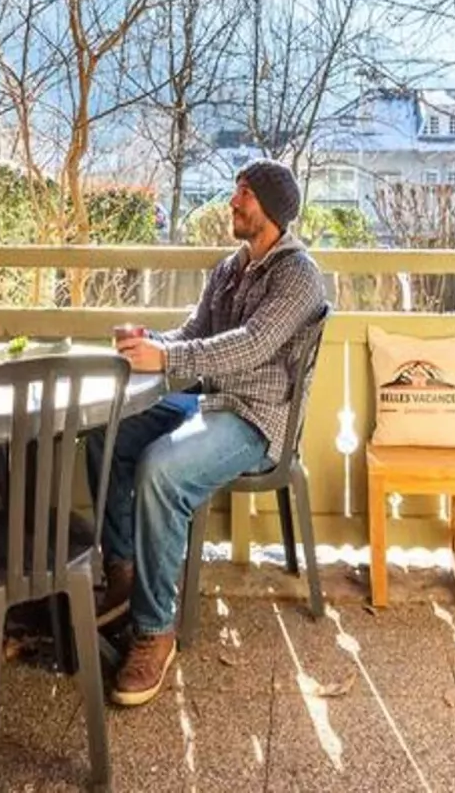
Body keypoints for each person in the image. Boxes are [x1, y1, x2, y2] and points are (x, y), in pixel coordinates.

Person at [88, 158, 328, 707]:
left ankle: (154, 630)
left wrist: (167, 356)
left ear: (270, 208)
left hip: (253, 418)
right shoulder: (230, 267)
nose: (232, 202)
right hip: (205, 399)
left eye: (243, 194)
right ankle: (123, 576)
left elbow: (252, 344)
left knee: (160, 470)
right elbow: (197, 334)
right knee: (106, 434)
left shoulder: (298, 275)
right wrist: (151, 343)